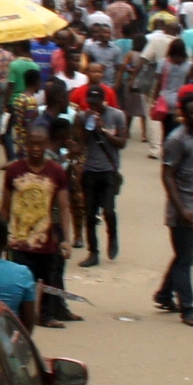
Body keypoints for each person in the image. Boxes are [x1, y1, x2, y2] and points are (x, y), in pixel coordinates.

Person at [2, 124, 74, 329]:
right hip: (18, 240)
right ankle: (19, 317)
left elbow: (64, 207)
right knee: (21, 282)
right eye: (32, 144)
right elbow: (5, 206)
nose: (36, 148)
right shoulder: (14, 171)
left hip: (46, 239)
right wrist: (1, 235)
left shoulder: (56, 171)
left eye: (40, 144)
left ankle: (46, 316)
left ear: (47, 145)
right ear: (25, 144)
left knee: (48, 279)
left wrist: (67, 239)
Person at [155, 94, 193, 327]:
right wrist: (181, 209)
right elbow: (167, 176)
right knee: (185, 260)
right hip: (184, 211)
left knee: (189, 256)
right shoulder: (176, 140)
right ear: (184, 116)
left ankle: (164, 294)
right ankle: (188, 309)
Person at [74, 85, 124, 268]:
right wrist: (85, 127)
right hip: (90, 171)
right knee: (89, 213)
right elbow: (81, 144)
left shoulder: (117, 115)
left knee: (108, 210)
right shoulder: (82, 117)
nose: (93, 106)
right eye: (90, 103)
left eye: (96, 103)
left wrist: (103, 131)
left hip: (109, 170)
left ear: (104, 101)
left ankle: (112, 235)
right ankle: (93, 252)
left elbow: (122, 142)